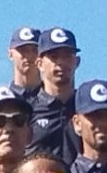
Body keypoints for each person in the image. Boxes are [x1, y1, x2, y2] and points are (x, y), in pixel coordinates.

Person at [29, 27, 80, 161]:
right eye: (54, 57)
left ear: (77, 62)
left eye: (67, 56)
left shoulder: (87, 108)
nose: (61, 62)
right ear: (39, 64)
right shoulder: (27, 111)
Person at [6, 26, 42, 104]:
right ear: (10, 54)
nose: (29, 55)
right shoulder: (3, 101)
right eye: (23, 50)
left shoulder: (55, 97)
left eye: (35, 50)